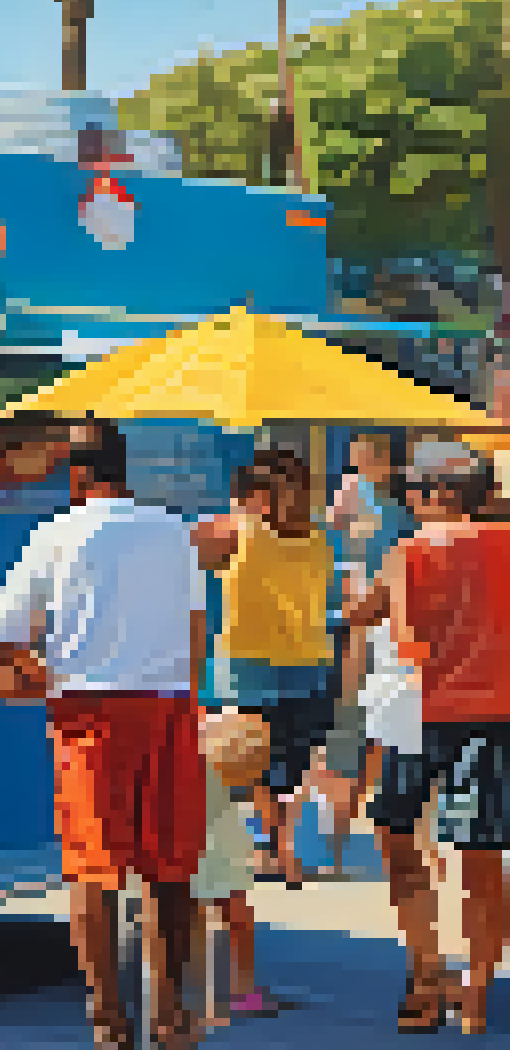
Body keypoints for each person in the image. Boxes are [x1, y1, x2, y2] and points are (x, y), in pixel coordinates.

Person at [0, 424, 207, 1050]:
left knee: (93, 873)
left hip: (90, 714)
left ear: (76, 474)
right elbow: (195, 633)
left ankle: (110, 1022)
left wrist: (47, 678)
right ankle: (171, 1017)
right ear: (122, 469)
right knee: (169, 873)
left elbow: (2, 646)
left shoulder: (55, 534)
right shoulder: (173, 531)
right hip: (169, 709)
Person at [353, 443, 510, 1035]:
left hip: (421, 716)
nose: (411, 501)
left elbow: (407, 638)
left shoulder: (407, 553)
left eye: (415, 491)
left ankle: (428, 977)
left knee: (398, 844)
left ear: (439, 495)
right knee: (480, 857)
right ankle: (475, 998)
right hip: (495, 716)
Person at [193, 449, 334, 889]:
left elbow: (187, 553)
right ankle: (284, 851)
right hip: (309, 660)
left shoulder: (238, 530)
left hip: (248, 663)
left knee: (251, 764)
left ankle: (267, 849)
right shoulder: (319, 537)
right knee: (291, 766)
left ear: (256, 496)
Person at [322, 432, 415, 850]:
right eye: (361, 453)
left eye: (373, 453)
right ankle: (339, 827)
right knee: (353, 722)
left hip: (384, 616)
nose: (365, 460)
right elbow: (336, 544)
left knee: (369, 724)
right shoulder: (353, 491)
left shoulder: (399, 501)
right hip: (363, 613)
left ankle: (349, 822)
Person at [194, 708, 275, 1022]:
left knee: (198, 917)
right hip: (220, 846)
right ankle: (242, 988)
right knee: (236, 919)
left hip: (197, 845)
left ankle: (198, 986)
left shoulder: (184, 737)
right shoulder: (228, 738)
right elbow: (262, 803)